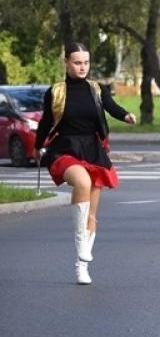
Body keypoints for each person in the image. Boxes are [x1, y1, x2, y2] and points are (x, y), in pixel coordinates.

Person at [36, 42, 137, 284]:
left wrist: (125, 115)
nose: (83, 67)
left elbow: (111, 108)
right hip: (65, 149)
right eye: (77, 63)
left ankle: (82, 267)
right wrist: (38, 146)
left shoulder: (97, 89)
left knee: (92, 214)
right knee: (82, 180)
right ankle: (81, 243)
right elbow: (46, 121)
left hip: (93, 149)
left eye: (86, 63)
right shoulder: (56, 91)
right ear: (67, 63)